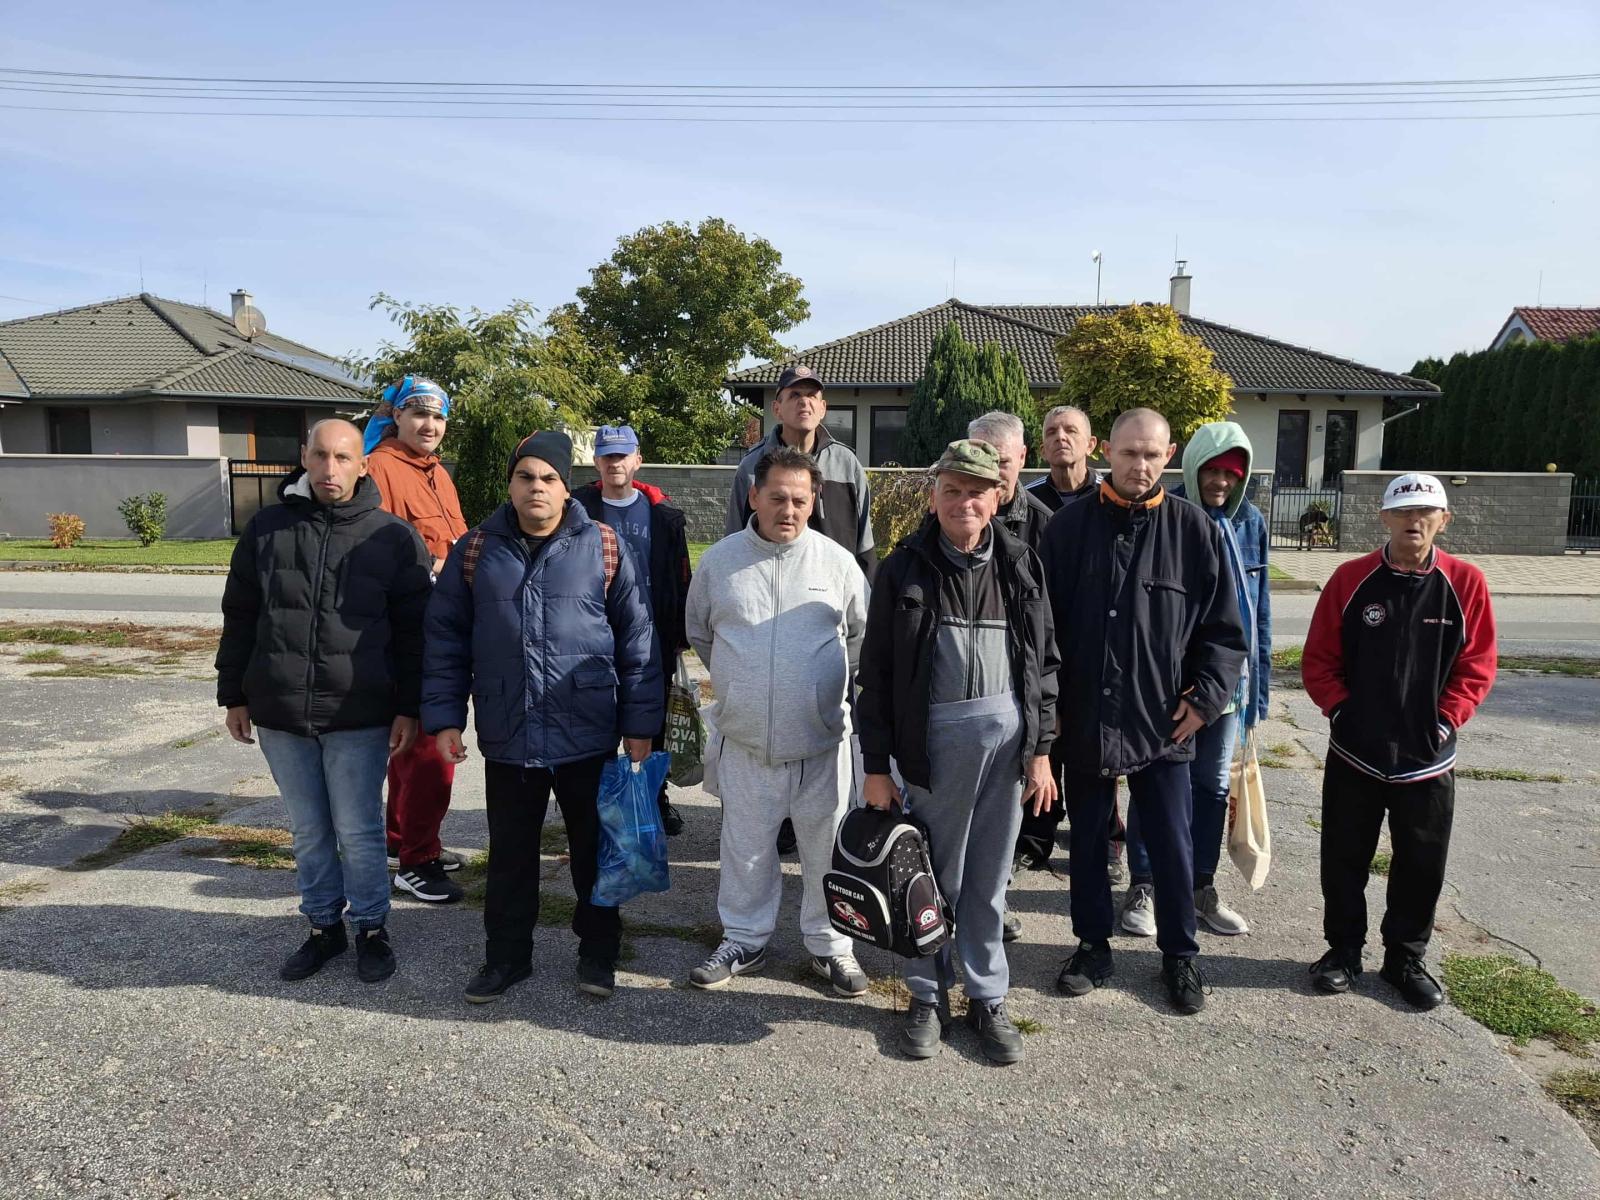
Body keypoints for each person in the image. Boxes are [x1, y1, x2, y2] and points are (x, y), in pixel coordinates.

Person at [422, 430, 663, 1004]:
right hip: (510, 731)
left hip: (588, 729)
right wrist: (445, 716)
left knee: (594, 853)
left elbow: (637, 640)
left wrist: (639, 725)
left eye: (549, 478)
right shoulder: (476, 549)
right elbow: (445, 640)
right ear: (510, 484)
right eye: (525, 476)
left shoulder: (603, 545)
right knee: (509, 856)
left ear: (565, 487)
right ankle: (506, 957)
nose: (537, 487)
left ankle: (598, 951)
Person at [858, 439, 1059, 1063]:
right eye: (952, 490)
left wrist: (1041, 750)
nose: (964, 502)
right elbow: (876, 675)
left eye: (976, 492)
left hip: (1007, 753)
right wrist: (876, 767)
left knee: (989, 881)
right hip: (934, 748)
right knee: (929, 878)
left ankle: (986, 995)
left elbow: (1045, 666)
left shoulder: (1021, 564)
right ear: (934, 495)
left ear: (997, 497)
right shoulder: (904, 567)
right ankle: (926, 995)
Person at [1041, 408, 1247, 1015]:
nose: (1139, 466)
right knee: (1087, 842)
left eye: (1152, 455)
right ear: (1106, 451)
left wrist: (1205, 700)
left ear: (1170, 455)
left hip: (1164, 722)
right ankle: (1091, 946)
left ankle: (1179, 954)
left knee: (1171, 844)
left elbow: (1224, 633)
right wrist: (1051, 710)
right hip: (1085, 714)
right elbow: (1041, 628)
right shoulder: (1067, 528)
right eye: (1129, 453)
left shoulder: (1194, 531)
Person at [217, 419, 433, 985]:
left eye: (343, 457)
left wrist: (410, 707)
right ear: (304, 457)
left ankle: (371, 928)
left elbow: (415, 634)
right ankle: (322, 927)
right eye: (320, 456)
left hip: (359, 714)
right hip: (280, 712)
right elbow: (240, 615)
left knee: (358, 830)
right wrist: (233, 693)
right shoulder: (267, 529)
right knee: (309, 830)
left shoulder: (393, 538)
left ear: (363, 464)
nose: (330, 468)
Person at [1302, 473, 1496, 1009]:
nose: (1415, 520)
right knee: (1344, 858)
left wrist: (1446, 720)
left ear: (1443, 520)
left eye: (1426, 512)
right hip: (1356, 753)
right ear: (1384, 517)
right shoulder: (1350, 579)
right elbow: (1319, 659)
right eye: (1404, 511)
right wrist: (1341, 711)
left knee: (1421, 862)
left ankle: (1404, 958)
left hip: (1427, 759)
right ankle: (1342, 951)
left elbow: (1477, 665)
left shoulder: (1465, 583)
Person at [686, 446, 870, 998]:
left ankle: (831, 946)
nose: (788, 510)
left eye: (799, 500)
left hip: (821, 745)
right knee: (745, 851)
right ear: (753, 497)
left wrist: (816, 693)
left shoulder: (837, 563)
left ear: (814, 502)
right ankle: (743, 938)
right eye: (777, 498)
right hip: (745, 743)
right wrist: (742, 688)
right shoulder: (720, 562)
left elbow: (860, 637)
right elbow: (700, 633)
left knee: (827, 851)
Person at [1121, 422, 1271, 938]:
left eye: (1232, 474)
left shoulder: (1251, 522)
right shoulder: (1169, 514)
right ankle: (1144, 884)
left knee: (1211, 786)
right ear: (1190, 467)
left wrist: (1258, 693)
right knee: (1157, 783)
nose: (1221, 482)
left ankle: (1199, 886)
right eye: (1212, 471)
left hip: (1230, 685)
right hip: (1174, 685)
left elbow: (1258, 612)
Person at [727, 363, 876, 855]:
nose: (804, 403)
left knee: (832, 724)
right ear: (777, 406)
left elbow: (865, 545)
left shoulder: (847, 465)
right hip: (770, 612)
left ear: (824, 406)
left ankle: (829, 821)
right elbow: (734, 547)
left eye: (813, 395)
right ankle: (779, 821)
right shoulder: (752, 466)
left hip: (831, 611)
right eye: (794, 395)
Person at [363, 375, 470, 905]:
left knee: (411, 749)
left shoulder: (436, 473)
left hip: (441, 626)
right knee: (430, 750)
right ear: (398, 417)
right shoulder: (380, 468)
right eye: (419, 414)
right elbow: (375, 555)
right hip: (411, 633)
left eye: (438, 416)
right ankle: (417, 861)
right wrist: (433, 569)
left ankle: (401, 840)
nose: (430, 425)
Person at [573, 424, 693, 837]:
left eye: (622, 455)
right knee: (597, 719)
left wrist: (680, 635)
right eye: (607, 455)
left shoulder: (662, 515)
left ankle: (653, 800)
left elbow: (680, 577)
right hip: (592, 632)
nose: (615, 463)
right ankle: (598, 804)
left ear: (637, 460)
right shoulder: (577, 509)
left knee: (651, 722)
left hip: (651, 633)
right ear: (596, 462)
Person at [967, 411, 1053, 552]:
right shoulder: (948, 515)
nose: (992, 473)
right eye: (982, 462)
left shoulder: (1045, 525)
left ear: (1022, 457)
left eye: (1002, 462)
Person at [1026, 404, 1101, 512]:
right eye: (1051, 432)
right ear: (1043, 451)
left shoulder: (1111, 495)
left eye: (1071, 430)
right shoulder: (1028, 499)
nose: (1060, 437)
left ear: (1090, 445)